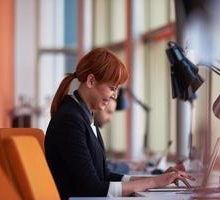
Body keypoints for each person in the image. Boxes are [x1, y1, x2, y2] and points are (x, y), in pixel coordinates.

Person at [45, 48, 192, 199]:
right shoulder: (70, 120)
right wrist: (154, 182)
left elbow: (104, 176)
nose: (114, 95)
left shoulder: (83, 116)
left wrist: (156, 180)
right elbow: (92, 188)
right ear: (90, 81)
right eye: (112, 88)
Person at [93, 97, 146, 174]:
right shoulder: (86, 129)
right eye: (109, 112)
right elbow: (101, 169)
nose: (110, 119)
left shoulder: (94, 130)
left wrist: (124, 163)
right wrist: (128, 166)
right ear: (97, 107)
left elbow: (101, 163)